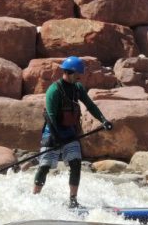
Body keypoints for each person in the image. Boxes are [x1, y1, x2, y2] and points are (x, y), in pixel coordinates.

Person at [32, 56, 113, 209]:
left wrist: (103, 120)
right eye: (78, 74)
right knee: (45, 166)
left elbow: (90, 105)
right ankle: (34, 198)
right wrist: (58, 139)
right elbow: (51, 118)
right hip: (52, 133)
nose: (80, 77)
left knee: (76, 164)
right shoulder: (54, 90)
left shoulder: (78, 88)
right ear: (70, 72)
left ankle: (73, 201)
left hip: (69, 132)